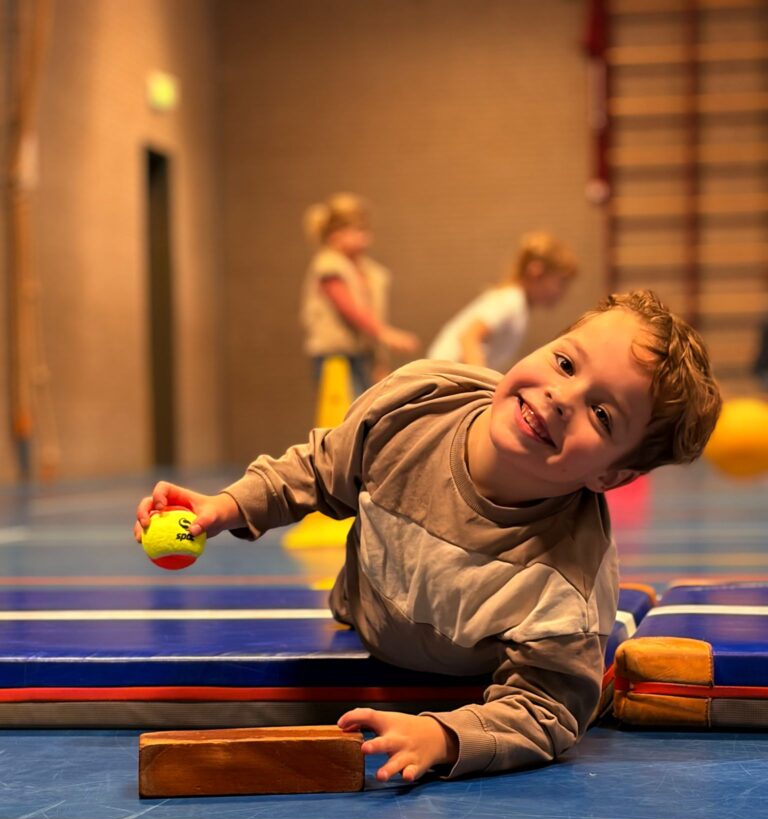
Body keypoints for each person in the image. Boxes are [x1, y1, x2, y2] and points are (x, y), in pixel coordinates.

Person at [134, 290, 721, 785]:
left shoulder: (565, 583)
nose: (563, 398)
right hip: (365, 611)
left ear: (610, 476)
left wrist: (444, 734)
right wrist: (226, 506)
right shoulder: (417, 403)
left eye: (602, 414)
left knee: (568, 653)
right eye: (566, 364)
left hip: (462, 666)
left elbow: (548, 710)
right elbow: (319, 467)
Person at [300, 192, 419, 398]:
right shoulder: (329, 266)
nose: (365, 236)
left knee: (369, 407)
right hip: (336, 357)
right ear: (336, 234)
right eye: (357, 230)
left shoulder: (370, 272)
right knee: (345, 413)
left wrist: (379, 361)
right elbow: (349, 308)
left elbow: (373, 314)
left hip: (362, 355)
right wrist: (384, 332)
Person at [427, 231, 578, 372]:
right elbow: (469, 336)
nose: (562, 292)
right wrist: (483, 385)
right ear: (536, 272)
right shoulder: (511, 300)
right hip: (442, 374)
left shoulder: (518, 305)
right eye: (561, 282)